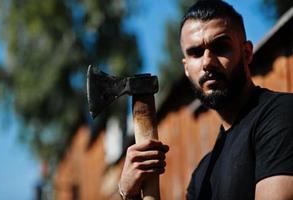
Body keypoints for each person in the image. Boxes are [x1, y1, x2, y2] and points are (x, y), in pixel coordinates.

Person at [118, 0, 293, 199]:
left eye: (220, 47)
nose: (207, 62)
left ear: (246, 53)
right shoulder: (202, 176)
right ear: (186, 67)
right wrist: (130, 194)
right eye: (196, 53)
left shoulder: (282, 115)